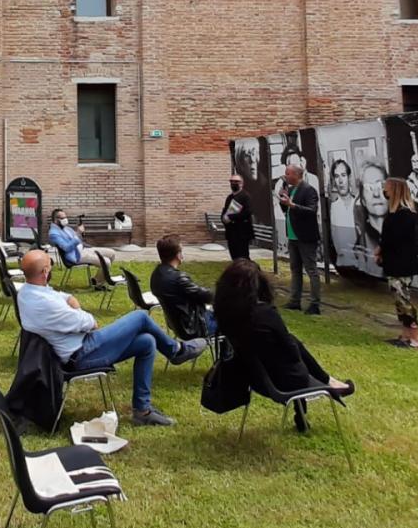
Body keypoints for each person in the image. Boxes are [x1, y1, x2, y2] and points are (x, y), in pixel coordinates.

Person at [18, 248, 204, 427]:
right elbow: (91, 322)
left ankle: (143, 411)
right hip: (81, 354)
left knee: (147, 342)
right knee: (140, 317)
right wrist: (76, 308)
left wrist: (70, 303)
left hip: (79, 346)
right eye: (50, 266)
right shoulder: (47, 305)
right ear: (44, 272)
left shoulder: (27, 293)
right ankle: (176, 351)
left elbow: (63, 296)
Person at [212, 258, 353, 431]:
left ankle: (327, 383)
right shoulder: (265, 314)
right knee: (292, 346)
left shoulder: (225, 316)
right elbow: (291, 353)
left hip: (254, 379)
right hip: (286, 383)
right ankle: (328, 382)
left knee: (291, 341)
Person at [379, 178, 418, 348]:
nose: (385, 191)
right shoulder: (395, 213)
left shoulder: (404, 215)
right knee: (399, 300)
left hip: (401, 263)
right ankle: (406, 335)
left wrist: (382, 249)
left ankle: (416, 337)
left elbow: (395, 239)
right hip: (394, 262)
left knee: (403, 300)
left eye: (387, 189)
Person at [149, 234, 216, 341]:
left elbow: (196, 293)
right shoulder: (178, 278)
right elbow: (206, 296)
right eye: (181, 251)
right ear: (178, 255)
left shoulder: (156, 274)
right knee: (233, 320)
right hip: (194, 327)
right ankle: (228, 357)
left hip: (178, 325)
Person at [278, 162, 323, 315]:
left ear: (297, 174)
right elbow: (287, 209)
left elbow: (312, 210)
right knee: (295, 270)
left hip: (306, 237)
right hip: (293, 236)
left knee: (311, 270)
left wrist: (292, 204)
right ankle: (294, 301)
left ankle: (315, 303)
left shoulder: (309, 190)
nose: (286, 175)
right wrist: (283, 200)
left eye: (288, 173)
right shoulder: (291, 189)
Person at [222, 174, 255, 261]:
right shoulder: (229, 197)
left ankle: (249, 273)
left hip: (242, 233)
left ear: (242, 183)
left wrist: (231, 217)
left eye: (236, 181)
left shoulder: (246, 196)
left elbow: (247, 212)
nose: (233, 183)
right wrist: (223, 218)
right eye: (231, 181)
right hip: (231, 232)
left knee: (243, 257)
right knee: (234, 256)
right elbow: (225, 210)